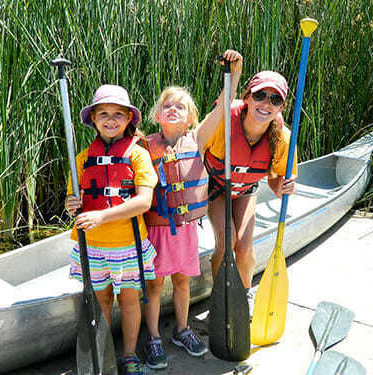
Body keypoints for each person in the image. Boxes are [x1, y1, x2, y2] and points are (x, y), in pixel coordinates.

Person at [141, 51, 243, 370]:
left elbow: (224, 107)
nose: (173, 109)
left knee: (183, 281)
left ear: (190, 118)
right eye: (167, 105)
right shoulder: (144, 146)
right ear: (157, 114)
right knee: (155, 285)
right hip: (156, 229)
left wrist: (235, 73)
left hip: (184, 230)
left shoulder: (197, 140)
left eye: (180, 106)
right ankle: (154, 336)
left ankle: (182, 330)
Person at [64, 84, 158, 375]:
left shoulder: (137, 155)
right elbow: (72, 201)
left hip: (127, 244)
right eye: (103, 113)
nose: (111, 119)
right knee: (101, 299)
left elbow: (144, 201)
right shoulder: (80, 159)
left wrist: (101, 216)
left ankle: (129, 355)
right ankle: (102, 353)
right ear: (93, 119)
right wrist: (71, 205)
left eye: (118, 114)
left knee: (129, 299)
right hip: (92, 244)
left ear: (129, 119)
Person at [202, 59, 297, 317]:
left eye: (274, 100)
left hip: (245, 190)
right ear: (247, 96)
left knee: (244, 247)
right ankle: (220, 299)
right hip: (215, 188)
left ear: (282, 107)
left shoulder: (284, 139)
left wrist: (284, 186)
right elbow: (196, 147)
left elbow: (276, 183)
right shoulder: (223, 120)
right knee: (227, 240)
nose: (266, 104)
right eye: (260, 95)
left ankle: (242, 298)